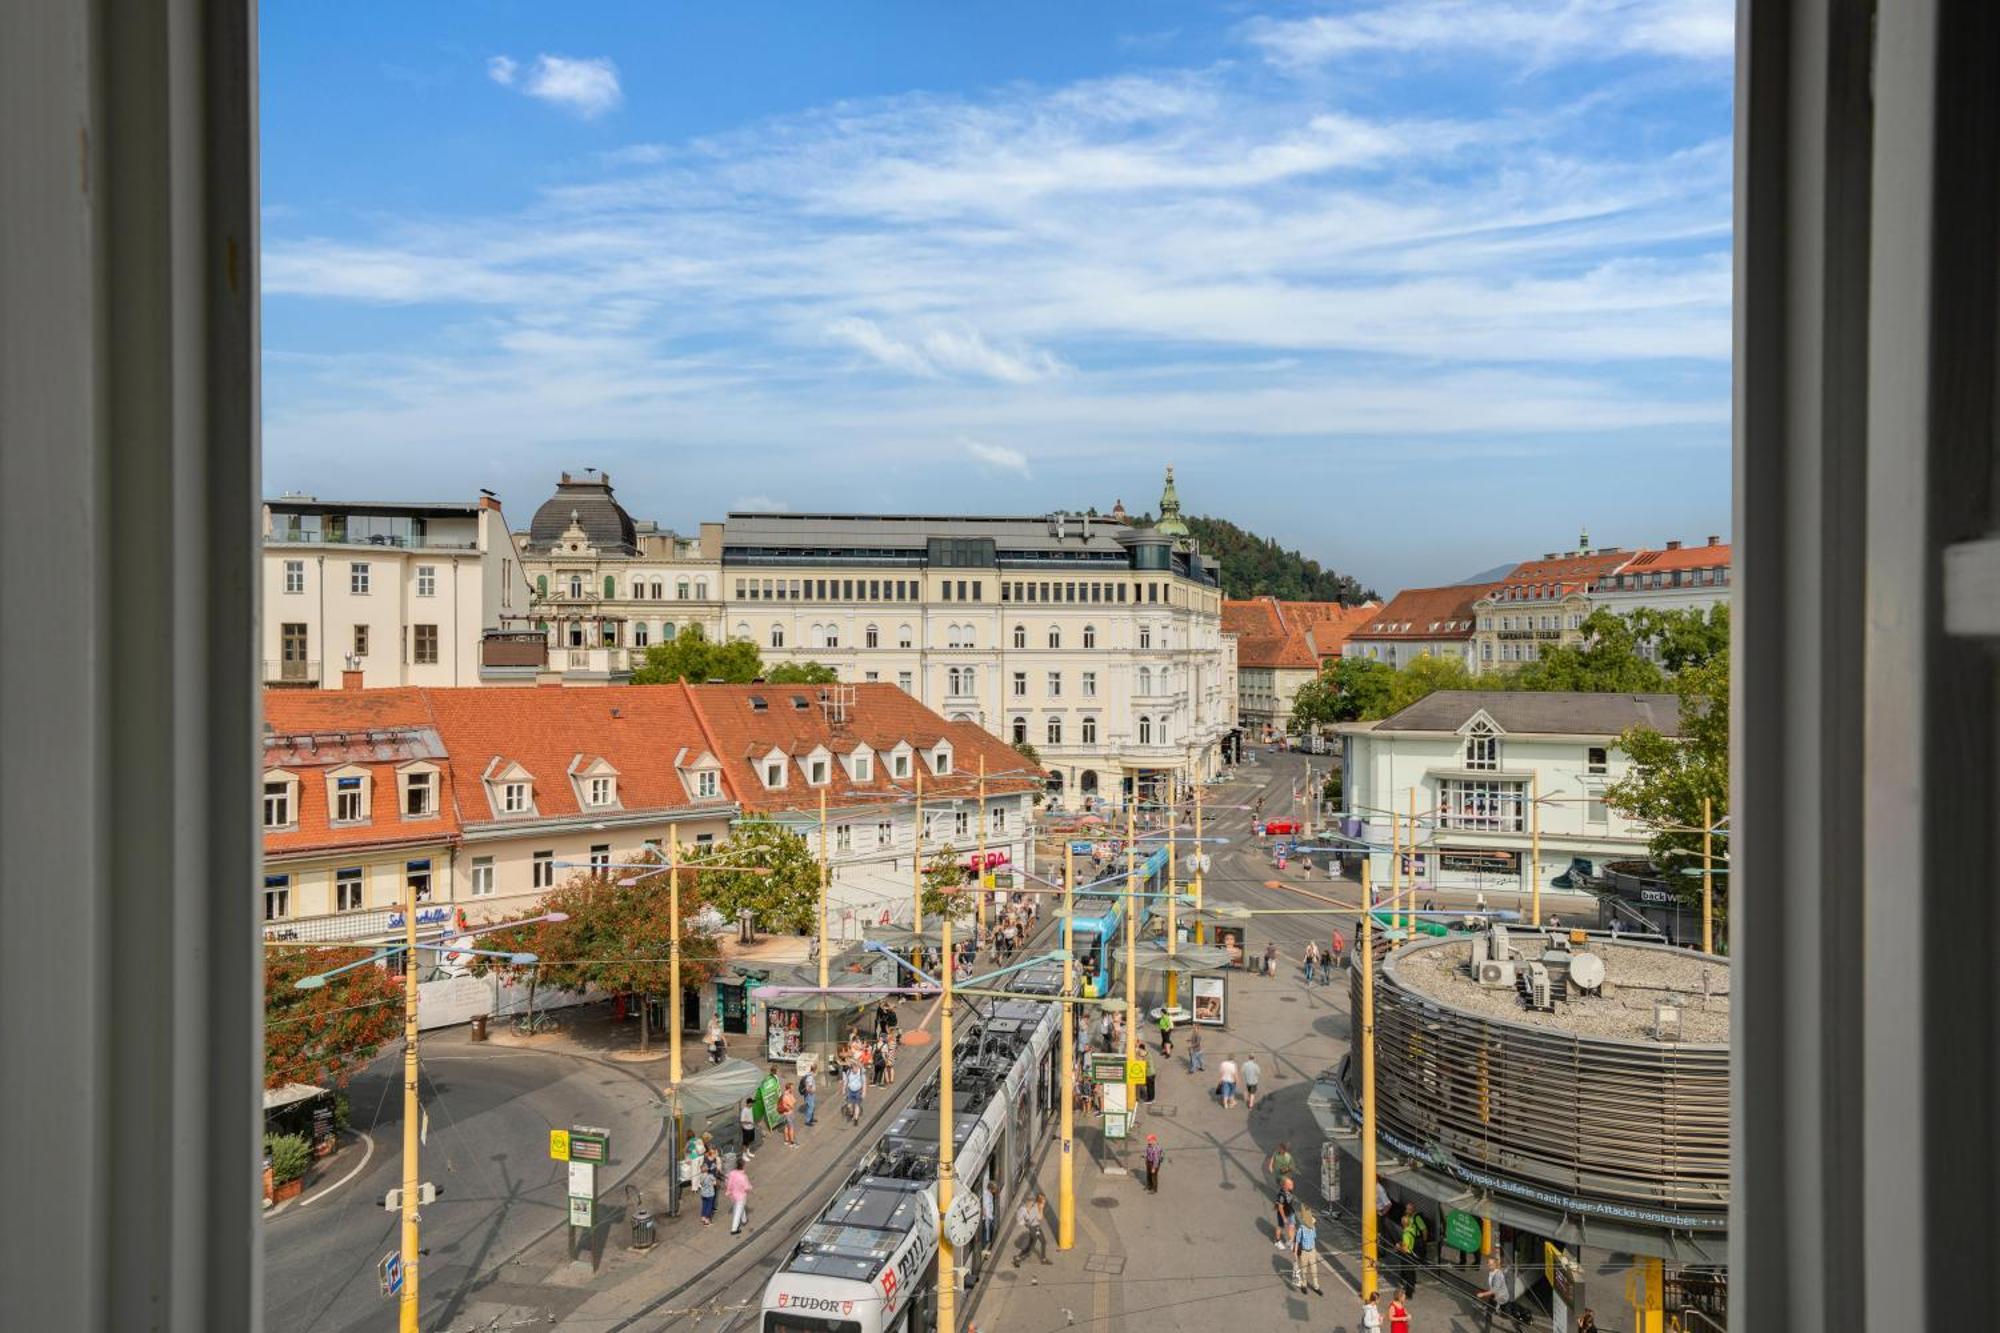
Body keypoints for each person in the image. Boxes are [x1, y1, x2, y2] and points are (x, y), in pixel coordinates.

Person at [1291, 1204, 1323, 1294]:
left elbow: (1314, 1239)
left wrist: (1314, 1250)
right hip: (1304, 1252)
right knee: (1304, 1270)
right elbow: (1297, 1241)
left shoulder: (1313, 1228)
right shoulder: (1301, 1229)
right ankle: (1304, 1285)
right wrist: (1295, 1254)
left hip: (1312, 1251)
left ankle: (1316, 1286)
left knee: (1314, 1270)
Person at [1013, 1192, 1052, 1266]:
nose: (1045, 1201)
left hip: (1036, 1227)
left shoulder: (1037, 1206)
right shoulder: (1036, 1207)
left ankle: (1043, 1259)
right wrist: (1041, 1209)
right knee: (1031, 1247)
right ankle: (1018, 1258)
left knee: (1042, 1242)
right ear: (1040, 1200)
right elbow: (1039, 1218)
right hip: (1033, 1228)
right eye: (1044, 1199)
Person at [1477, 1255, 1511, 1330]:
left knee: (1490, 1313)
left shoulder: (1497, 1275)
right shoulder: (1492, 1272)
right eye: (1488, 1263)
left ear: (1495, 1265)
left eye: (1491, 1264)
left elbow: (1494, 1290)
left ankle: (1487, 1330)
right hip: (1497, 1296)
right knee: (1497, 1311)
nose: (1489, 1265)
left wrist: (1482, 1294)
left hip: (1500, 1297)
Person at [725, 1160, 752, 1235]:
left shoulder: (732, 1173)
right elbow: (747, 1187)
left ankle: (744, 1220)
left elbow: (729, 1183)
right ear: (743, 1166)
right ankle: (734, 1229)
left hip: (733, 1195)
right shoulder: (743, 1177)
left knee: (740, 1207)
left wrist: (728, 1191)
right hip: (741, 1196)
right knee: (738, 1211)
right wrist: (750, 1187)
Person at [1272, 1175, 1297, 1251]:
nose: (1292, 1185)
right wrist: (1284, 1218)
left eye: (1292, 1184)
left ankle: (1290, 1242)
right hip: (1283, 1213)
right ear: (1285, 1186)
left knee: (1292, 1226)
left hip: (1290, 1212)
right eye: (1290, 1184)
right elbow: (1280, 1207)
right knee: (1280, 1226)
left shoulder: (1289, 1190)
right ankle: (1277, 1241)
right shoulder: (1281, 1195)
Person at [695, 1151, 719, 1226]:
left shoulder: (700, 1176)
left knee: (704, 1205)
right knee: (709, 1207)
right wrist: (714, 1182)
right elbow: (715, 1183)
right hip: (710, 1194)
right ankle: (707, 1220)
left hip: (703, 1194)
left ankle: (703, 1217)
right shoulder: (710, 1176)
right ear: (707, 1170)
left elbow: (700, 1183)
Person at [843, 1060, 865, 1124]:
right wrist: (844, 1089)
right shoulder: (849, 1072)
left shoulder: (861, 1072)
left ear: (857, 1067)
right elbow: (846, 1081)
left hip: (858, 1091)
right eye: (852, 1069)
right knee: (849, 1105)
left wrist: (863, 1092)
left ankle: (856, 1118)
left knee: (857, 1104)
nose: (853, 1070)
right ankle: (851, 1113)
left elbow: (864, 1083)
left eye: (854, 1068)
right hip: (850, 1091)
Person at [981, 1178, 999, 1254]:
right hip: (987, 1218)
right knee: (985, 1234)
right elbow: (984, 1206)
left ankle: (987, 1247)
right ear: (991, 1188)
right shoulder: (986, 1195)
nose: (996, 1191)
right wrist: (986, 1217)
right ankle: (984, 1249)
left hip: (990, 1217)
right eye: (995, 1189)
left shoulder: (989, 1194)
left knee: (991, 1231)